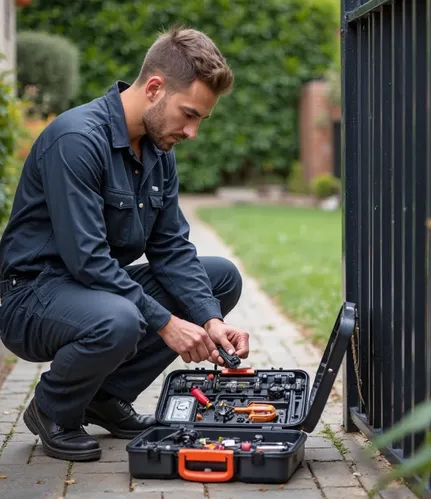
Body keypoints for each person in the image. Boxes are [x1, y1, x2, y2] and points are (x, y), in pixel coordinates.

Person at [0, 26, 249, 463]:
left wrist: (209, 319)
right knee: (122, 317)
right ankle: (52, 409)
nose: (192, 132)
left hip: (91, 290)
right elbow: (89, 260)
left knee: (219, 280)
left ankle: (104, 397)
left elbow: (171, 247)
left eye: (200, 120)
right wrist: (168, 323)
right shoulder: (77, 140)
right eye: (188, 114)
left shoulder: (158, 151)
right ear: (154, 88)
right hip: (31, 297)